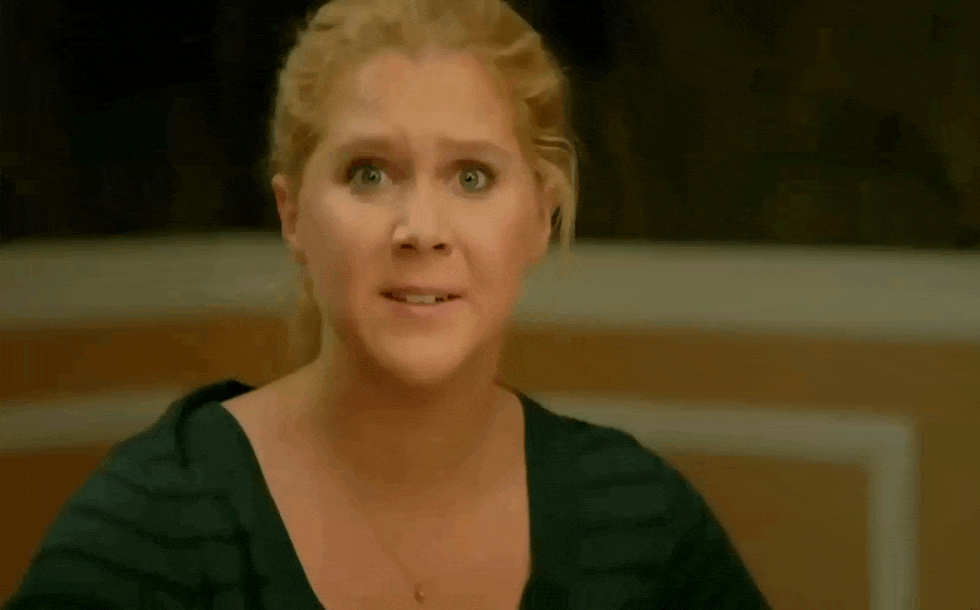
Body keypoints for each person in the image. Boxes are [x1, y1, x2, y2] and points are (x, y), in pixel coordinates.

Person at [2, 0, 771, 608]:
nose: (421, 229)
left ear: (540, 217)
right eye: (369, 173)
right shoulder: (157, 519)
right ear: (293, 216)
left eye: (471, 177)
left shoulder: (638, 520)